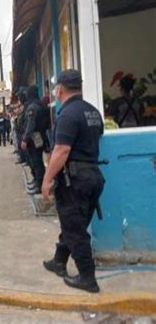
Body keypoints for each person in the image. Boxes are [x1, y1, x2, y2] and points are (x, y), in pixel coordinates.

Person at [42, 69, 105, 293]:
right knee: (74, 224)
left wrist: (47, 179)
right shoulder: (93, 112)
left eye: (56, 88)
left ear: (60, 89)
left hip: (74, 180)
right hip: (94, 177)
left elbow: (61, 150)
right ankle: (59, 261)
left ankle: (88, 278)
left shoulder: (67, 114)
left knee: (74, 229)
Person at [21, 86, 49, 194]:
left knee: (36, 161)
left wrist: (25, 139)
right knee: (36, 161)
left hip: (35, 137)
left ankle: (39, 185)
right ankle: (36, 181)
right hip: (40, 136)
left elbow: (30, 125)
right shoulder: (40, 104)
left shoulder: (32, 107)